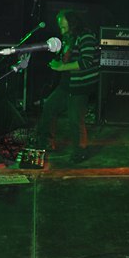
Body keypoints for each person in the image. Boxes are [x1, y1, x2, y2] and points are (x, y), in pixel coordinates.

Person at [34, 9, 100, 163]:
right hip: (66, 84)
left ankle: (80, 151)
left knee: (75, 119)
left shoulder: (86, 36)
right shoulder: (68, 38)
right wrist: (58, 61)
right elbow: (67, 59)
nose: (62, 30)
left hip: (80, 85)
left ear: (73, 24)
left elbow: (86, 62)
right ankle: (46, 142)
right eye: (60, 27)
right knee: (49, 107)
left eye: (64, 27)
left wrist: (62, 67)